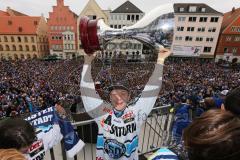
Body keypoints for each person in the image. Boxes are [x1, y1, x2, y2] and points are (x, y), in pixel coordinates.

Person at [80, 47, 171, 160]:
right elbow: (86, 90)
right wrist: (87, 62)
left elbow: (153, 88)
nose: (118, 97)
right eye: (114, 93)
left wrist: (160, 60)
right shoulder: (101, 112)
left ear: (129, 97)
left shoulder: (136, 113)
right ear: (109, 97)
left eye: (123, 93)